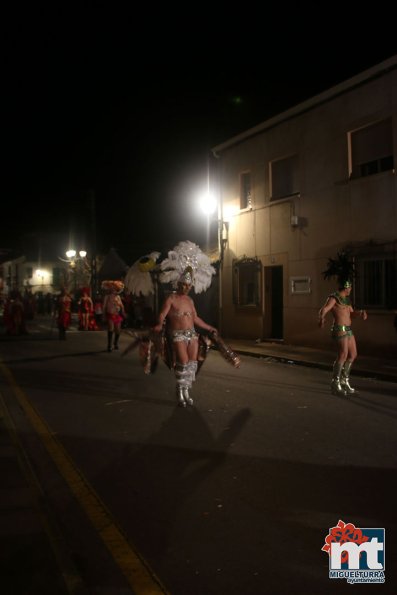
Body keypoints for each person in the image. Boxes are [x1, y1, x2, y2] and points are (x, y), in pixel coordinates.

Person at [153, 266, 217, 407]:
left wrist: (209, 327)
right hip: (177, 335)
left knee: (192, 364)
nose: (186, 287)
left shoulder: (190, 301)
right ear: (179, 284)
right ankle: (179, 390)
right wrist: (159, 324)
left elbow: (195, 318)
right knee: (183, 361)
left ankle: (186, 390)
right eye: (184, 284)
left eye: (189, 285)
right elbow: (162, 314)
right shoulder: (171, 298)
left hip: (192, 334)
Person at [318, 279, 367, 395]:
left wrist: (360, 313)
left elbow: (351, 314)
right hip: (339, 329)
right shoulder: (334, 297)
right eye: (350, 288)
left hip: (348, 329)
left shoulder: (347, 300)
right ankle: (335, 383)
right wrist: (321, 318)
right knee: (343, 355)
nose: (350, 290)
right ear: (346, 287)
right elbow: (324, 309)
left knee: (353, 355)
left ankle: (344, 381)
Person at [102, 280, 126, 352]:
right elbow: (104, 306)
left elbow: (122, 305)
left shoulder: (118, 297)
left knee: (118, 331)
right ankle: (109, 345)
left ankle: (115, 343)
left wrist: (123, 311)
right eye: (112, 288)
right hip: (110, 315)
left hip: (117, 315)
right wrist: (103, 315)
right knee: (110, 329)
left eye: (115, 288)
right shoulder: (107, 296)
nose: (113, 289)